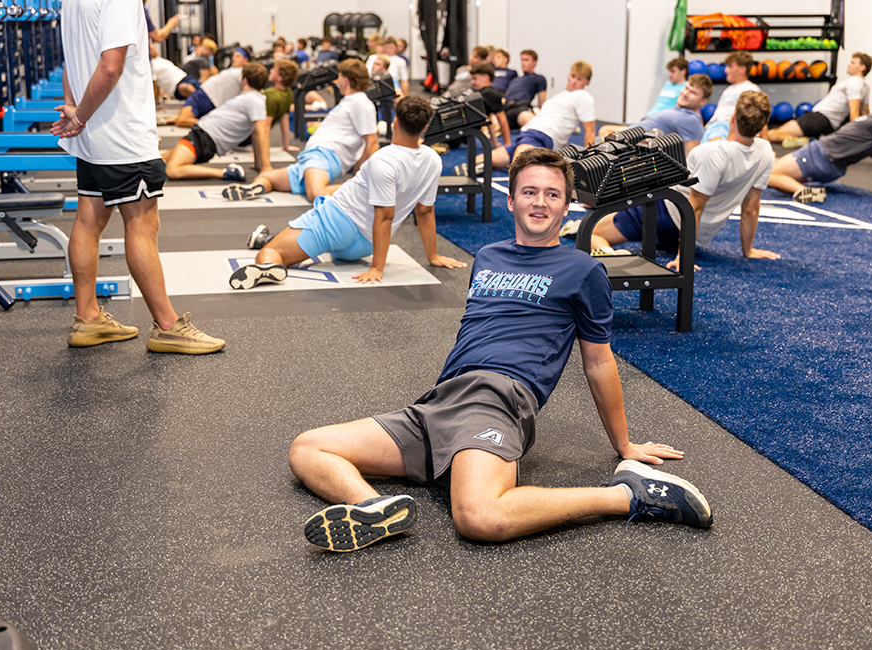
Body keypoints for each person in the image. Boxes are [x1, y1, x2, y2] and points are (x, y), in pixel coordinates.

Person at [287, 148, 712, 552]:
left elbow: (598, 361)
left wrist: (625, 445)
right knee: (308, 448)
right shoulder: (488, 256)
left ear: (566, 208)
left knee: (479, 517)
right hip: (440, 402)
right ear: (510, 201)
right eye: (529, 192)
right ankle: (373, 509)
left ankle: (624, 495)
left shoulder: (583, 270)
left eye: (552, 194)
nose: (540, 203)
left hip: (498, 401)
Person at [53, 0, 224, 354]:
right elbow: (111, 67)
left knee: (88, 219)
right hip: (122, 136)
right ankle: (167, 326)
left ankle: (88, 319)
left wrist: (75, 109)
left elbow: (73, 59)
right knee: (143, 224)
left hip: (94, 137)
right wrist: (80, 117)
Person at [228, 95, 465, 289]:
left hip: (336, 222)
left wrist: (377, 268)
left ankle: (267, 264)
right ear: (424, 128)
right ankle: (269, 239)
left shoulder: (383, 159)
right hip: (364, 246)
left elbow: (385, 215)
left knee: (273, 252)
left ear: (394, 123)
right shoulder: (433, 160)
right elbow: (425, 212)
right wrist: (433, 257)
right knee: (314, 243)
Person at [589, 91, 778, 270]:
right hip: (695, 235)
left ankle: (612, 258)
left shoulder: (712, 152)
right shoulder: (765, 151)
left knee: (591, 231)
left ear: (733, 118)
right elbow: (751, 209)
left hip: (666, 212)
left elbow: (694, 207)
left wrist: (682, 258)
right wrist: (748, 251)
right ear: (762, 125)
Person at [222, 58, 378, 202]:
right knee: (267, 177)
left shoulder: (361, 103)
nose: (337, 82)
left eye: (340, 77)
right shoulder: (349, 102)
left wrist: (368, 178)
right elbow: (363, 146)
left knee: (316, 193)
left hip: (325, 156)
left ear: (346, 80)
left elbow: (371, 142)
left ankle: (362, 189)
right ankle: (252, 189)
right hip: (309, 158)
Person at [767, 76, 872, 204]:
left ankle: (805, 191)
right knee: (776, 173)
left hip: (821, 155)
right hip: (825, 158)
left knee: (766, 176)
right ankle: (801, 189)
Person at [461, 61, 594, 172]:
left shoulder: (583, 96)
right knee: (480, 159)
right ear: (568, 75)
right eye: (573, 76)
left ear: (586, 82)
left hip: (540, 137)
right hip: (525, 135)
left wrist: (590, 164)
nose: (574, 81)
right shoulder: (558, 97)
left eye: (579, 79)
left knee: (517, 171)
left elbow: (590, 131)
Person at [161, 62, 271, 182]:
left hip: (205, 139)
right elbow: (255, 133)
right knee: (160, 160)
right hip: (201, 135)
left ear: (244, 80)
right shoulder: (249, 98)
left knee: (173, 170)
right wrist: (258, 164)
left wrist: (266, 168)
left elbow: (262, 132)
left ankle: (226, 172)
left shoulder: (254, 100)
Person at [769, 53, 872, 147]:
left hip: (819, 119)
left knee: (772, 135)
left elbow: (854, 112)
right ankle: (810, 140)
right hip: (826, 124)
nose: (849, 65)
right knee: (775, 133)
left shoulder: (854, 82)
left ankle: (807, 141)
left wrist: (857, 139)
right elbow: (865, 112)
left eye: (853, 63)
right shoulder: (865, 86)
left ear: (862, 67)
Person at [597, 73, 712, 155]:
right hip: (632, 131)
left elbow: (690, 158)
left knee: (601, 140)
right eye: (686, 88)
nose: (685, 93)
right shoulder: (682, 111)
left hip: (631, 142)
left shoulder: (691, 120)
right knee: (604, 129)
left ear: (703, 101)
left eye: (693, 93)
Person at [167, 48, 249, 127]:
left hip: (207, 97)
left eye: (238, 56)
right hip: (203, 93)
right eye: (233, 56)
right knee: (176, 118)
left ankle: (210, 126)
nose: (234, 58)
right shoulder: (231, 70)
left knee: (182, 120)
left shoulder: (243, 73)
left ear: (245, 60)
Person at [701, 52, 761, 143]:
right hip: (712, 128)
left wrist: (766, 144)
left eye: (730, 66)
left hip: (729, 128)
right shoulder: (727, 90)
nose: (725, 70)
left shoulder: (751, 88)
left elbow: (759, 116)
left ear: (742, 69)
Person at [502, 49, 548, 129]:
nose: (523, 63)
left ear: (534, 62)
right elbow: (506, 96)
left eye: (526, 60)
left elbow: (542, 103)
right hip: (506, 110)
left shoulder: (539, 78)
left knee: (529, 120)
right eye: (522, 60)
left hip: (521, 108)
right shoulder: (515, 80)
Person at [468, 63, 511, 148]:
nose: (472, 82)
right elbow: (487, 116)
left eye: (475, 78)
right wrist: (494, 141)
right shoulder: (480, 93)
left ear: (486, 78)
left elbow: (502, 120)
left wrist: (508, 145)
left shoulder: (491, 94)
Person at [265, 59, 300, 153]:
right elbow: (285, 119)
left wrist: (262, 151)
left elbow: (266, 126)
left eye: (274, 70)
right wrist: (286, 146)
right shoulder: (288, 92)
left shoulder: (271, 95)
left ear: (280, 78)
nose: (270, 70)